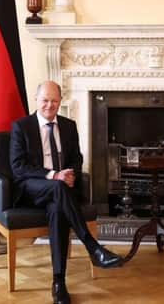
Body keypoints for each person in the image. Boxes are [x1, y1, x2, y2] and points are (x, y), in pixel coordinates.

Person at [10, 80, 123, 304]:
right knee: (58, 188)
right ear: (36, 99)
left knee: (57, 210)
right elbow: (18, 167)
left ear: (60, 101)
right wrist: (54, 176)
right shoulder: (21, 126)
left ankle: (59, 283)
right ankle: (92, 247)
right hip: (32, 186)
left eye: (54, 101)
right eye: (45, 100)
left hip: (60, 190)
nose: (49, 106)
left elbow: (76, 159)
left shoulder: (68, 126)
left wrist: (71, 174)